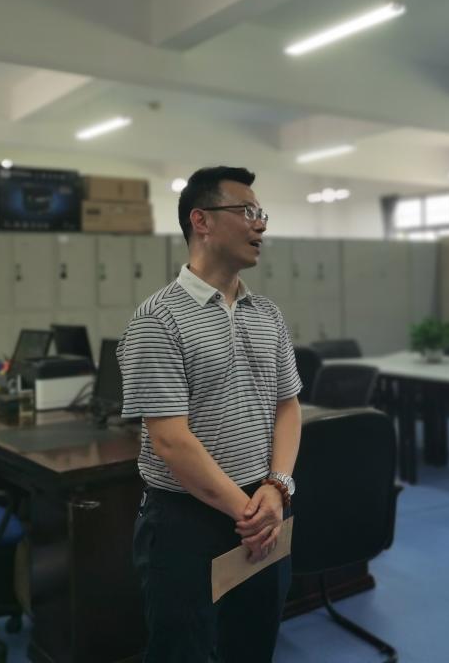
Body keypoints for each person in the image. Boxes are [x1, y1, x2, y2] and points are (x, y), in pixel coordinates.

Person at [119, 166, 302, 663]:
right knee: (182, 651)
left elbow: (288, 405)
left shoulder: (267, 314)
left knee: (254, 645)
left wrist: (277, 487)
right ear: (201, 221)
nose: (260, 224)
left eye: (261, 214)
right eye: (247, 211)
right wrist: (251, 514)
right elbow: (171, 440)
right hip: (188, 522)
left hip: (265, 505)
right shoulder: (157, 319)